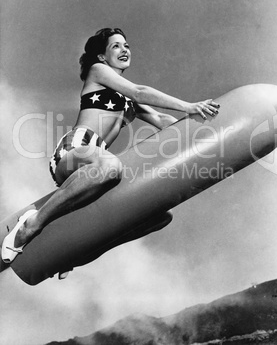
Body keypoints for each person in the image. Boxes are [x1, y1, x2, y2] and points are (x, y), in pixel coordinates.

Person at [1, 28, 220, 271]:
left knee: (159, 217)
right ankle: (31, 224)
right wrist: (188, 105)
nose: (124, 49)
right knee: (111, 166)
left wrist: (208, 129)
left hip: (97, 165)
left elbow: (161, 120)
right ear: (102, 57)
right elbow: (140, 91)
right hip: (76, 148)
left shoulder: (129, 103)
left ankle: (77, 253)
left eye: (126, 45)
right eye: (116, 46)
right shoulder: (97, 71)